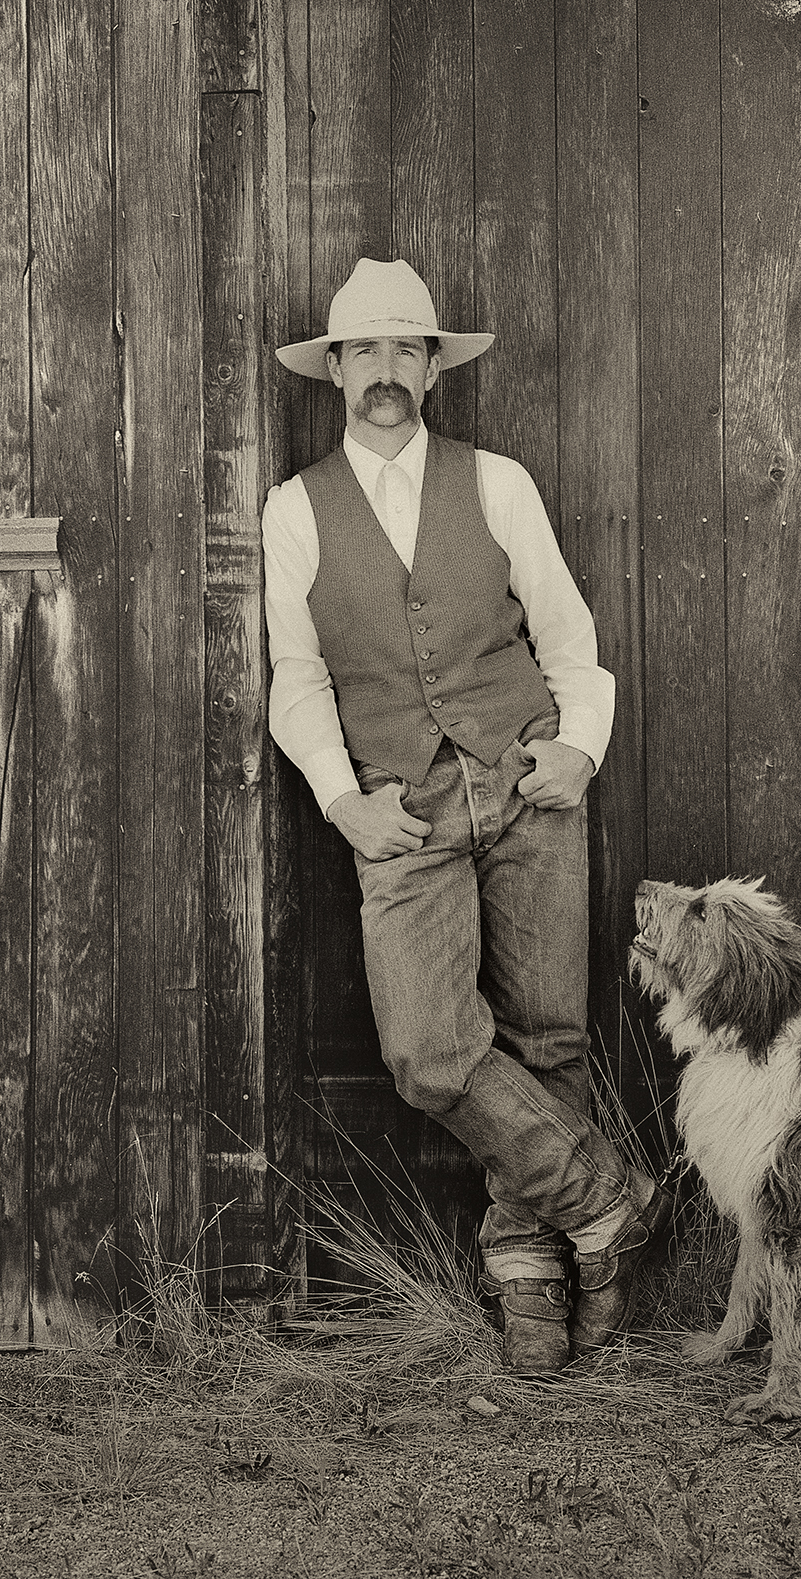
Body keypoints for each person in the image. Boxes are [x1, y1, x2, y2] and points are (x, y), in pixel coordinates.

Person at [262, 257, 670, 1372]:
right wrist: (343, 802)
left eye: (407, 350)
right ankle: (610, 1202)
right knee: (430, 1048)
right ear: (334, 372)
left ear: (433, 370)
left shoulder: (496, 482)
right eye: (365, 353)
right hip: (403, 809)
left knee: (549, 1038)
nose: (385, 373)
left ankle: (536, 1279)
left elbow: (567, 632)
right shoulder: (294, 510)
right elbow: (296, 676)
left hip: (528, 782)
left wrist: (578, 749)